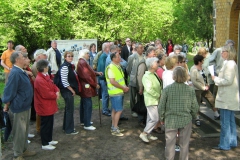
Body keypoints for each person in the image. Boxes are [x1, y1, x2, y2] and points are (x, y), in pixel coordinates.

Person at [159, 66, 199, 160]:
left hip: (170, 120)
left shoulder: (167, 89)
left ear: (174, 76)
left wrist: (162, 118)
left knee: (170, 144)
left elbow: (161, 106)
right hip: (185, 119)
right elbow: (195, 107)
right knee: (184, 144)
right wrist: (193, 116)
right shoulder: (190, 90)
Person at [2, 51, 36, 159]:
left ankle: (24, 149)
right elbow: (9, 92)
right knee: (19, 132)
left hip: (25, 106)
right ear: (17, 60)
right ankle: (17, 154)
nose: (25, 58)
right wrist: (7, 104)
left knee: (24, 131)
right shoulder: (15, 73)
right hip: (19, 107)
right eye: (23, 57)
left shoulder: (21, 71)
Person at [212, 45, 239, 151]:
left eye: (224, 51)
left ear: (229, 52)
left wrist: (216, 79)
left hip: (226, 98)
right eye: (222, 51)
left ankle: (224, 144)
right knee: (231, 121)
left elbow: (228, 80)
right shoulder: (229, 63)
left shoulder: (230, 64)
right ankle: (232, 141)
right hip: (228, 97)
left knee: (225, 123)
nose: (222, 53)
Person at [34, 59, 59, 150]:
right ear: (45, 68)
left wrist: (56, 90)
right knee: (45, 124)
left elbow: (52, 85)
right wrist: (55, 94)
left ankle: (49, 139)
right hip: (44, 105)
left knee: (50, 123)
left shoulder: (45, 76)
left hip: (49, 105)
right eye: (47, 66)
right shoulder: (40, 79)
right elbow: (46, 93)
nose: (48, 68)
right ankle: (44, 143)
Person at [190, 55, 219, 126]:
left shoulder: (202, 67)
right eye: (202, 60)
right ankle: (197, 118)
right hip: (197, 89)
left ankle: (216, 114)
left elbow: (205, 76)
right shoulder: (193, 69)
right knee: (197, 104)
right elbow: (194, 81)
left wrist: (208, 84)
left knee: (211, 99)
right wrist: (203, 87)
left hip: (205, 88)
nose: (203, 62)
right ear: (199, 61)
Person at [77, 49, 102, 131]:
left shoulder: (82, 62)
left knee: (84, 104)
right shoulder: (82, 62)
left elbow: (89, 72)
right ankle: (86, 124)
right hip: (86, 87)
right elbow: (86, 76)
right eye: (87, 53)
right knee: (87, 105)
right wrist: (95, 84)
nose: (89, 55)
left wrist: (96, 73)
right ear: (83, 54)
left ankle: (84, 121)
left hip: (85, 87)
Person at [105, 52, 129, 136]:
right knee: (118, 110)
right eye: (118, 57)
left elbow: (120, 79)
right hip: (116, 93)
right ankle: (115, 129)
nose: (120, 58)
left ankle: (114, 126)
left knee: (115, 110)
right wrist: (123, 88)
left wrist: (124, 87)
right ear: (113, 59)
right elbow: (112, 81)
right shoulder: (111, 68)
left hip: (118, 92)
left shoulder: (117, 66)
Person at [139, 57, 162, 142]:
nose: (158, 64)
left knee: (150, 118)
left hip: (155, 99)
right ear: (151, 65)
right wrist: (159, 95)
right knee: (155, 118)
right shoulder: (146, 76)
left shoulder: (154, 74)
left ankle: (148, 134)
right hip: (151, 100)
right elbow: (149, 89)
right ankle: (144, 133)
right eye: (156, 63)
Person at [59, 51, 81, 135]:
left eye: (71, 56)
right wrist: (72, 90)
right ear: (65, 57)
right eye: (68, 56)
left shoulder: (69, 66)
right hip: (67, 91)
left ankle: (66, 127)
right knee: (69, 110)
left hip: (68, 90)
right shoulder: (65, 67)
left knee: (68, 109)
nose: (70, 57)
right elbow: (64, 81)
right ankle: (69, 129)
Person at [127, 43, 145, 118]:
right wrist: (132, 76)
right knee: (132, 96)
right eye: (140, 48)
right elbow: (129, 68)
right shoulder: (132, 57)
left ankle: (139, 109)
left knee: (140, 96)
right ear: (136, 49)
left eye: (142, 47)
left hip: (141, 80)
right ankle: (132, 110)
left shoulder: (144, 57)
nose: (142, 49)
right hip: (133, 80)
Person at [97, 42, 111, 116]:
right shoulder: (104, 56)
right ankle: (105, 110)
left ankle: (106, 108)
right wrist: (105, 78)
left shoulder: (104, 56)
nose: (110, 48)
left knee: (105, 94)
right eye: (109, 47)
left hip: (103, 78)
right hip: (103, 79)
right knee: (105, 94)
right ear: (106, 48)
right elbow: (102, 69)